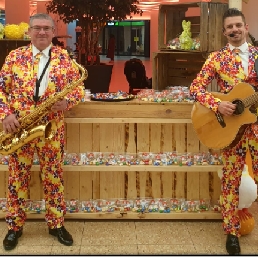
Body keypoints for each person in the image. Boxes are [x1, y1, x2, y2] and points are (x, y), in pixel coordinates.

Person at [0, 13, 84, 251]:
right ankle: (14, 227)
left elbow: (79, 88)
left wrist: (67, 102)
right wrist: (5, 114)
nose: (42, 32)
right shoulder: (14, 57)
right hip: (19, 127)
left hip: (52, 129)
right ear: (29, 31)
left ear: (53, 32)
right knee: (17, 179)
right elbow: (0, 90)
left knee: (54, 177)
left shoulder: (64, 58)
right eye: (37, 28)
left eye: (47, 28)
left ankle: (56, 224)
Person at [190, 8, 258, 255]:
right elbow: (195, 88)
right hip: (230, 131)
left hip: (257, 126)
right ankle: (231, 232)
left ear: (246, 27)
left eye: (238, 25)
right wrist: (217, 104)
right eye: (229, 27)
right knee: (230, 181)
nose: (234, 30)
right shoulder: (216, 58)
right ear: (224, 32)